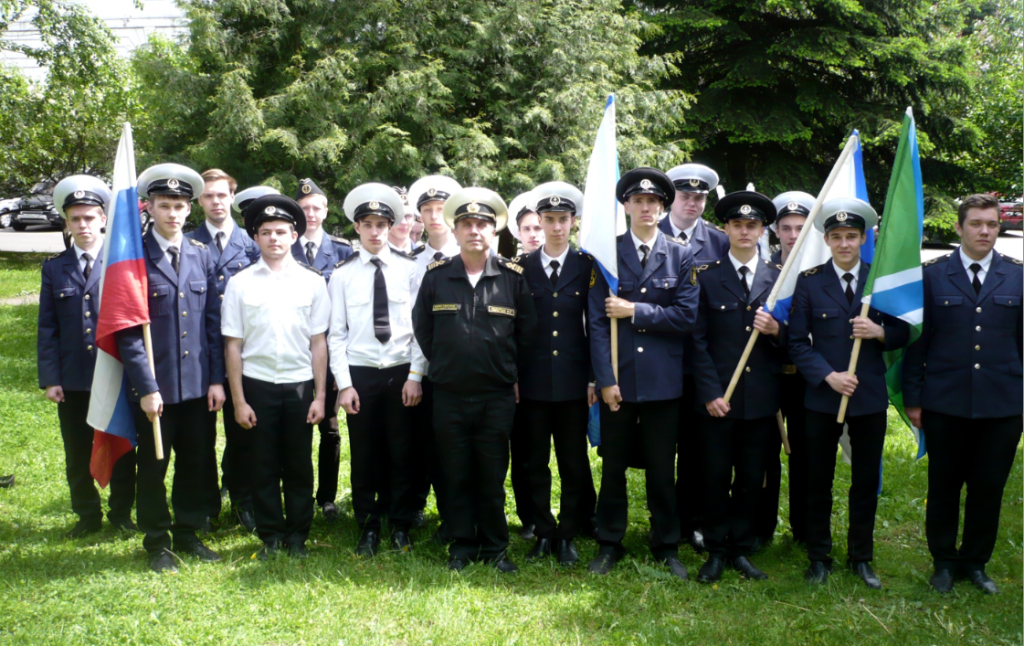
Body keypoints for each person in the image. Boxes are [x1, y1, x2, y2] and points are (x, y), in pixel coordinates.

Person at [412, 187, 537, 572]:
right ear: (456, 230)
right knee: (455, 471)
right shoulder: (437, 276)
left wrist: (506, 372)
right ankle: (463, 545)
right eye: (466, 224)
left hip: (495, 395)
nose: (474, 231)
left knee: (491, 472)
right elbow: (423, 328)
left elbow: (526, 334)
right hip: (448, 393)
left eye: (482, 224)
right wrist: (450, 364)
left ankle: (496, 547)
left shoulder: (512, 278)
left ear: (494, 230)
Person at [903, 193, 1023, 594]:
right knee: (943, 486)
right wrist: (914, 398)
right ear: (959, 228)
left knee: (988, 488)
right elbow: (917, 344)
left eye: (992, 224)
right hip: (945, 401)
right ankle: (943, 561)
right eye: (976, 223)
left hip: (1002, 403)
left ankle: (975, 562)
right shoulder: (932, 275)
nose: (985, 231)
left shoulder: (1018, 275)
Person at [788, 197, 908, 589]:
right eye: (836, 236)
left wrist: (881, 333)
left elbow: (907, 332)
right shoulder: (810, 282)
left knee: (864, 480)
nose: (844, 244)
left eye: (851, 236)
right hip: (823, 397)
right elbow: (797, 343)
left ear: (864, 238)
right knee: (817, 479)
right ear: (826, 239)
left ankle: (861, 556)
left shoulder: (880, 282)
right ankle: (819, 557)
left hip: (869, 397)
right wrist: (828, 376)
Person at [587, 167, 699, 579]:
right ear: (626, 206)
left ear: (662, 206)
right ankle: (609, 541)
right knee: (613, 465)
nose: (646, 208)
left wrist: (635, 310)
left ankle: (666, 544)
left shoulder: (681, 254)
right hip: (619, 378)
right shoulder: (607, 254)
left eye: (653, 202)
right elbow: (598, 324)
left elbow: (686, 316)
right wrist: (606, 380)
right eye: (638, 201)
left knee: (659, 467)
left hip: (662, 381)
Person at [118, 163, 225, 573]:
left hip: (198, 387)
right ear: (150, 207)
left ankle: (187, 532)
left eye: (180, 206)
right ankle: (157, 541)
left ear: (189, 208)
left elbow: (213, 324)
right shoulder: (134, 260)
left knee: (196, 464)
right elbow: (128, 331)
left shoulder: (201, 256)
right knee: (153, 467)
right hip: (156, 390)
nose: (174, 214)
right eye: (165, 205)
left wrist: (216, 380)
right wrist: (146, 387)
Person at [222, 194, 330, 559]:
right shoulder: (240, 283)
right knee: (263, 464)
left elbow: (318, 343)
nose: (274, 239)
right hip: (257, 385)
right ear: (255, 238)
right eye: (266, 232)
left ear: (295, 235)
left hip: (300, 386)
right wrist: (239, 401)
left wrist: (319, 397)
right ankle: (270, 536)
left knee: (299, 464)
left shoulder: (313, 283)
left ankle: (298, 535)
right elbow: (233, 347)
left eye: (281, 232)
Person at [690, 190, 781, 583]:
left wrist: (778, 329)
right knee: (712, 476)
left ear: (763, 230)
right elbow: (695, 340)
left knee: (750, 478)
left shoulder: (777, 280)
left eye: (753, 225)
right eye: (738, 225)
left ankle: (741, 548)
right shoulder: (706, 277)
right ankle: (715, 549)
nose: (745, 231)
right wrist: (710, 392)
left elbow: (793, 341)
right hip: (717, 400)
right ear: (725, 228)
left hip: (759, 401)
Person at [39, 175, 137, 539]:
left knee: (122, 444)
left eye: (90, 217)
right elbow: (47, 328)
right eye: (75, 219)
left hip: (115, 373)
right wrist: (51, 378)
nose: (83, 225)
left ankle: (122, 512)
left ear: (103, 219)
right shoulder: (54, 269)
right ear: (66, 223)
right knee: (77, 451)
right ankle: (87, 514)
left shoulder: (119, 264)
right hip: (75, 377)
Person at [330, 184, 425, 556]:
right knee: (365, 452)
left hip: (402, 371)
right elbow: (336, 334)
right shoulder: (342, 275)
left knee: (403, 451)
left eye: (380, 224)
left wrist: (416, 376)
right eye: (367, 224)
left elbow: (420, 329)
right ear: (356, 227)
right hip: (362, 374)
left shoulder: (409, 269)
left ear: (391, 226)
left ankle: (400, 524)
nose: (374, 231)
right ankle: (368, 524)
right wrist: (344, 385)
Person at [514, 181, 597, 566]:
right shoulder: (521, 268)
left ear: (573, 222)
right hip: (531, 382)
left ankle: (567, 533)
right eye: (549, 219)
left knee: (572, 461)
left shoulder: (586, 267)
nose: (557, 227)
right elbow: (512, 327)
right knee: (533, 462)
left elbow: (595, 326)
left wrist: (595, 378)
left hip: (572, 382)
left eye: (563, 219)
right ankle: (543, 531)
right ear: (539, 222)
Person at [185, 170, 262, 533]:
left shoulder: (253, 243)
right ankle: (204, 505)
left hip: (243, 353)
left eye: (222, 195)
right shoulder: (187, 243)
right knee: (199, 436)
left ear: (232, 197)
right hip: (198, 353)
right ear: (199, 201)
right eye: (208, 196)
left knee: (242, 432)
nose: (216, 202)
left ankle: (244, 501)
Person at [662, 163, 730, 552]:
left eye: (700, 197)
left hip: (703, 364)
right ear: (673, 198)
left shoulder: (719, 242)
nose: (693, 203)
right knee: (658, 448)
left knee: (698, 449)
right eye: (686, 196)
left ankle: (696, 521)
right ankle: (665, 517)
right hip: (660, 358)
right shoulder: (652, 235)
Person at [753, 191, 815, 547]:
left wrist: (783, 332)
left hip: (808, 379)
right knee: (765, 453)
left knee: (806, 453)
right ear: (775, 231)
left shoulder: (821, 271)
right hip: (772, 375)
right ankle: (763, 527)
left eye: (800, 228)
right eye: (787, 228)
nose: (793, 235)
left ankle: (805, 529)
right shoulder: (766, 271)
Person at [290, 177, 353, 522]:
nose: (311, 214)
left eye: (316, 208)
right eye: (304, 209)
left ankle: (327, 498)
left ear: (326, 211)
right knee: (297, 428)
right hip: (295, 354)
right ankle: (297, 493)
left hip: (331, 355)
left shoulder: (343, 251)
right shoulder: (283, 246)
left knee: (329, 428)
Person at [406, 174, 463, 540]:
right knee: (425, 442)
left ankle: (455, 514)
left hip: (464, 369)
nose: (433, 215)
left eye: (440, 208)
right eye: (427, 209)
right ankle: (420, 508)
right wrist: (416, 372)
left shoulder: (473, 258)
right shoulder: (411, 263)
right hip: (424, 367)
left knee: (455, 447)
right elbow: (413, 323)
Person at [506, 188, 543, 538]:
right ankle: (529, 516)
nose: (534, 234)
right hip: (521, 373)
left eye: (539, 227)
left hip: (559, 371)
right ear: (517, 232)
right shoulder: (510, 271)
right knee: (524, 450)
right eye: (528, 228)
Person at [507, 191, 544, 255]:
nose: (532, 235)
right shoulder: (510, 265)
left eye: (538, 228)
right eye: (526, 229)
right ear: (519, 233)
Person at [387, 187, 421, 254]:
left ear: (414, 219)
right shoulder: (374, 256)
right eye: (397, 216)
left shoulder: (425, 257)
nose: (403, 222)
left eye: (408, 216)